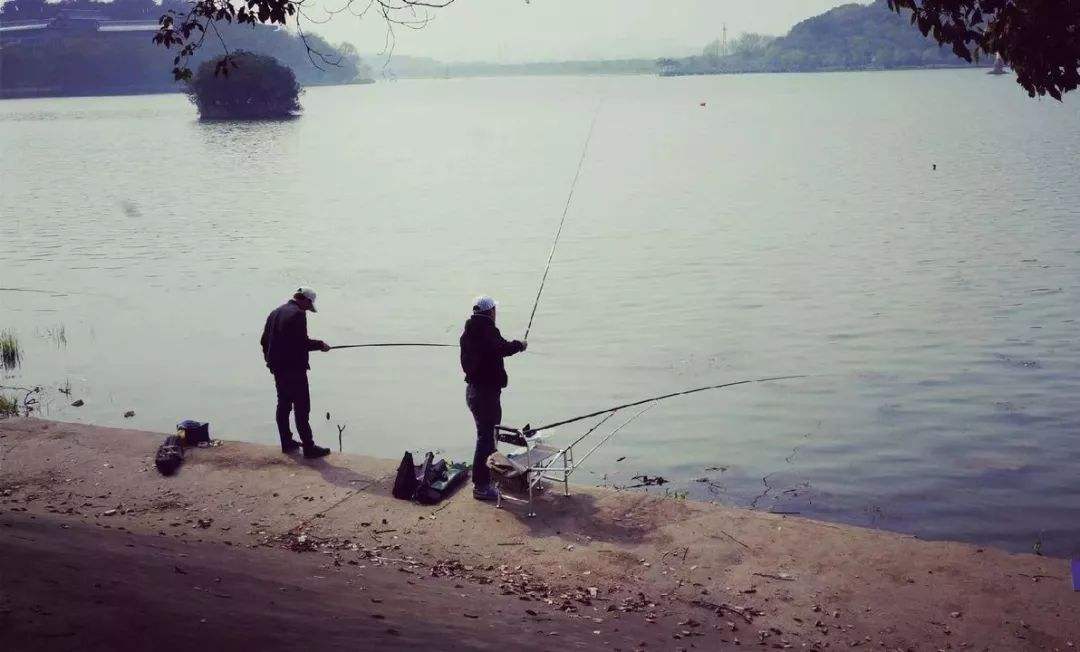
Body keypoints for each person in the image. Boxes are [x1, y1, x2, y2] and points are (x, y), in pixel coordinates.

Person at [459, 295, 527, 501]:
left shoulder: (468, 332)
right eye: (495, 310)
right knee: (487, 438)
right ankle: (481, 486)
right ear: (491, 312)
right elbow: (502, 347)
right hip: (484, 394)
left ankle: (486, 480)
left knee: (487, 436)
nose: (496, 313)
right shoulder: (487, 330)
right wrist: (520, 345)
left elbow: (492, 349)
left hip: (473, 392)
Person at [260, 287, 332, 459]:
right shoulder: (298, 315)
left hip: (278, 369)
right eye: (309, 305)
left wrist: (270, 362)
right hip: (294, 369)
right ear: (305, 300)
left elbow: (263, 341)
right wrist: (321, 345)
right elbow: (301, 343)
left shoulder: (275, 312)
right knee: (302, 407)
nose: (308, 309)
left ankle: (287, 442)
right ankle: (309, 447)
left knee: (283, 405)